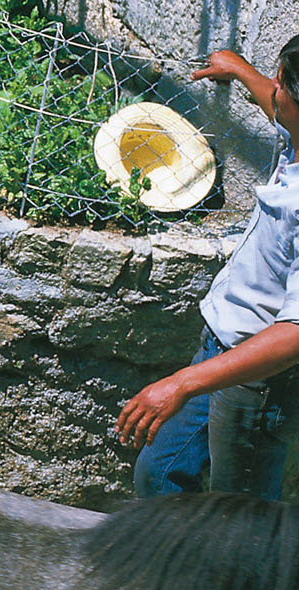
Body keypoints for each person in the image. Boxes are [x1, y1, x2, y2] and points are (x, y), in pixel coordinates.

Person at [118, 36, 299, 499]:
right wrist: (240, 70)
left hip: (259, 385)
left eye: (279, 82)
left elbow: (296, 332)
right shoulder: (296, 139)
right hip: (221, 350)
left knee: (239, 522)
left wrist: (181, 384)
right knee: (158, 476)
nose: (273, 90)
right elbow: (276, 108)